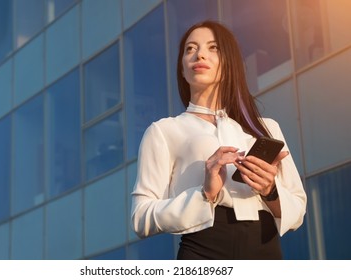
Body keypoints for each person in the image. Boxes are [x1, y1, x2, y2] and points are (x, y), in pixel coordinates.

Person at [131, 20, 307, 260]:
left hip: (265, 251)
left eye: (213, 47)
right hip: (203, 250)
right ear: (182, 69)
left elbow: (298, 211)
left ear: (229, 62)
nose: (199, 54)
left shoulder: (266, 128)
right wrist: (204, 193)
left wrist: (270, 190)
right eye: (190, 49)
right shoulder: (163, 131)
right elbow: (140, 218)